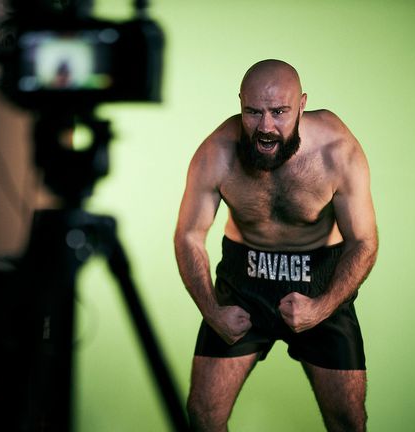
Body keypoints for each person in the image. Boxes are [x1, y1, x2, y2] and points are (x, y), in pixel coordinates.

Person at [174, 59, 378, 432]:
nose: (265, 127)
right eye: (253, 112)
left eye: (279, 112)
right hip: (243, 280)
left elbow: (363, 241)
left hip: (319, 281)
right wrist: (212, 311)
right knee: (203, 414)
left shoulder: (336, 149)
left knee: (349, 420)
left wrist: (322, 308)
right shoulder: (217, 152)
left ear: (301, 104)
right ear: (240, 103)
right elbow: (189, 235)